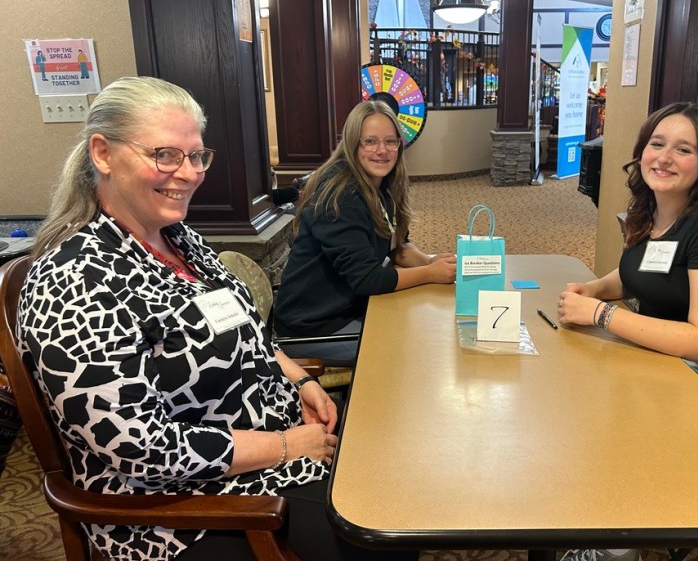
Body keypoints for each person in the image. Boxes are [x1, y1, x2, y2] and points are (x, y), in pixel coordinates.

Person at [15, 76, 412, 561]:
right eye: (165, 155)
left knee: (394, 468)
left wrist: (300, 382)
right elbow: (142, 448)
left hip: (272, 447)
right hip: (186, 510)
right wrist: (284, 445)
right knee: (383, 534)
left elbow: (248, 331)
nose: (188, 173)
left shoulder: (178, 238)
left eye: (196, 156)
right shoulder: (74, 280)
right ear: (103, 153)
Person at [556, 102, 698, 437]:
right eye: (657, 144)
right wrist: (595, 289)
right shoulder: (654, 209)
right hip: (674, 363)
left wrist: (601, 314)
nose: (664, 158)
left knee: (602, 425)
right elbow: (644, 272)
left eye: (683, 150)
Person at [272, 100, 456, 364]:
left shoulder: (381, 184)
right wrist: (429, 274)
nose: (382, 151)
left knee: (422, 323)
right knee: (416, 348)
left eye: (390, 141)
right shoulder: (339, 194)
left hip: (351, 308)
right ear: (352, 144)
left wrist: (429, 261)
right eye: (370, 141)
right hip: (313, 329)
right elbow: (367, 279)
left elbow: (397, 246)